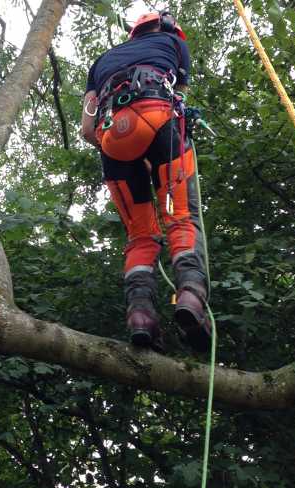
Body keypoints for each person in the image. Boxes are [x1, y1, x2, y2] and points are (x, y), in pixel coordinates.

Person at [82, 11, 211, 352]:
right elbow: (178, 96)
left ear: (133, 33)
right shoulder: (173, 42)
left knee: (140, 235)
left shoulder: (101, 63)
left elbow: (86, 130)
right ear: (166, 27)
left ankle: (141, 315)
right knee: (180, 215)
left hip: (112, 137)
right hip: (159, 116)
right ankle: (192, 296)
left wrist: (127, 147)